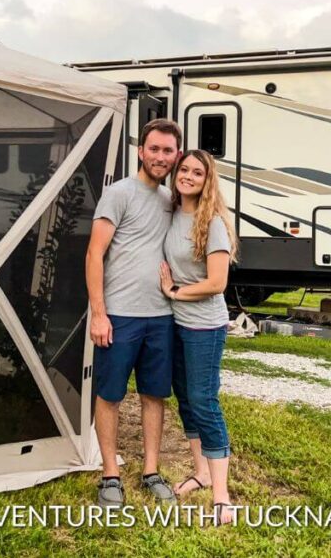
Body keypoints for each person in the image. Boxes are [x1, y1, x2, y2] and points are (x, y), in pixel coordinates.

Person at [86, 118, 182, 507]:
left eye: (168, 151)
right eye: (154, 149)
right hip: (120, 314)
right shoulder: (118, 193)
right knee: (110, 395)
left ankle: (151, 471)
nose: (160, 157)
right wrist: (98, 312)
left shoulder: (172, 201)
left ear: (176, 155)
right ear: (140, 151)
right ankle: (110, 475)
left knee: (154, 395)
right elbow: (94, 253)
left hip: (161, 315)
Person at [159, 149, 239, 525]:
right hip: (176, 322)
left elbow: (217, 283)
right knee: (186, 400)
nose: (188, 176)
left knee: (204, 401)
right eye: (184, 170)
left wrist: (174, 291)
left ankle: (222, 495)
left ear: (208, 181)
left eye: (197, 173)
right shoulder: (173, 213)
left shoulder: (213, 223)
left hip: (204, 324)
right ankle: (201, 473)